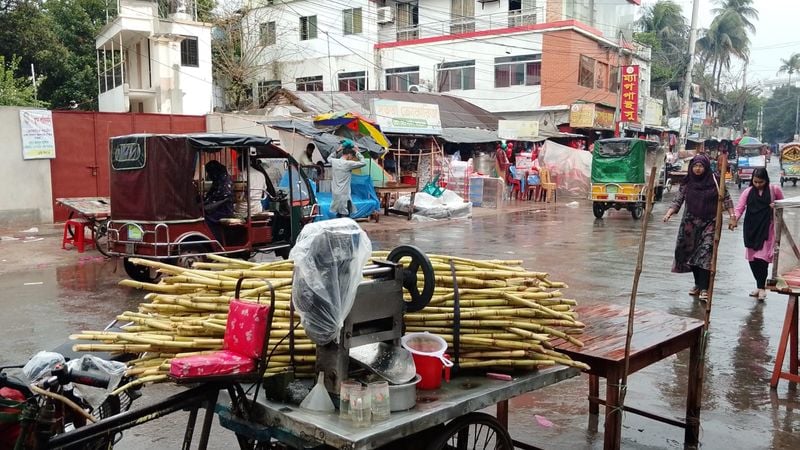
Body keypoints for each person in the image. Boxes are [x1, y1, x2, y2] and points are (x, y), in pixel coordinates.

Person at [663, 154, 735, 301]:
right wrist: (669, 213)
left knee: (706, 253)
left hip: (711, 221)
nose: (697, 169)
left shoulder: (715, 179)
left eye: (701, 166)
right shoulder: (688, 181)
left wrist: (732, 217)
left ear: (706, 167)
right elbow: (678, 199)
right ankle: (698, 284)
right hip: (690, 223)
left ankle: (705, 288)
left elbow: (726, 198)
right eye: (695, 166)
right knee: (691, 255)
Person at [729, 167, 784, 300]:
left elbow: (783, 205)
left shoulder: (774, 190)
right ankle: (759, 286)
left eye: (761, 182)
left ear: (766, 180)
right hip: (751, 228)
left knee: (763, 258)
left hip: (767, 228)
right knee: (753, 259)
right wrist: (734, 219)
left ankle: (761, 288)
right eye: (755, 181)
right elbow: (740, 208)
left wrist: (775, 206)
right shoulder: (747, 192)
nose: (758, 184)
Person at [329, 139, 365, 218]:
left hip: (335, 194)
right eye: (352, 156)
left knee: (338, 214)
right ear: (349, 155)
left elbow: (329, 159)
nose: (351, 158)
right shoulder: (348, 163)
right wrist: (357, 152)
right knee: (345, 216)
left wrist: (338, 150)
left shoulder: (334, 162)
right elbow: (363, 162)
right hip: (344, 195)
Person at [203, 160, 235, 240]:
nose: (209, 174)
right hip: (217, 207)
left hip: (224, 210)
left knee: (206, 218)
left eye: (209, 172)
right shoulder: (217, 181)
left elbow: (223, 198)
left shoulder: (225, 181)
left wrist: (208, 205)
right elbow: (211, 195)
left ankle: (213, 239)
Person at [235, 153, 268, 217]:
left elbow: (239, 196)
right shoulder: (261, 174)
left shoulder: (242, 175)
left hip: (243, 208)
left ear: (241, 164)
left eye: (238, 164)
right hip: (257, 207)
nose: (238, 167)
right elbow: (264, 192)